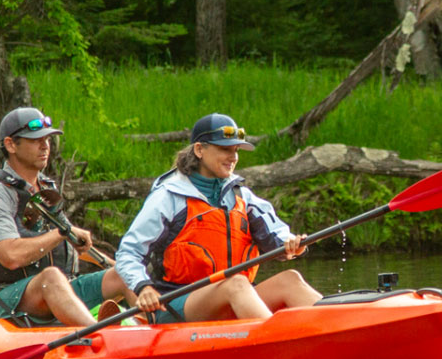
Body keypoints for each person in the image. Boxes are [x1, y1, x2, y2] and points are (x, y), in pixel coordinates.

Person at [116, 113, 322, 323]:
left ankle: (333, 326)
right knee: (235, 283)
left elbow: (276, 234)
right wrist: (143, 288)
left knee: (290, 280)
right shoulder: (168, 197)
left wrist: (290, 243)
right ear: (199, 150)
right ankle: (278, 337)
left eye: (236, 150)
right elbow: (128, 253)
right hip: (176, 304)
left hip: (236, 294)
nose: (233, 157)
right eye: (225, 149)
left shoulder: (242, 196)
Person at [0, 107, 133, 326]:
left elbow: (71, 244)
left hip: (59, 289)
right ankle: (95, 334)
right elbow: (10, 256)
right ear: (10, 145)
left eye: (47, 139)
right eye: (35, 140)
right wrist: (61, 233)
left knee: (125, 273)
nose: (45, 146)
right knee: (51, 277)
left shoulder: (46, 188)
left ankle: (157, 329)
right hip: (5, 299)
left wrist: (124, 267)